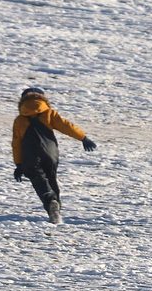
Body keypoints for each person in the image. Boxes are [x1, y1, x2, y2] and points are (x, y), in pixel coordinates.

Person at [11, 87, 97, 224]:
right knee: (51, 179)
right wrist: (83, 138)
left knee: (39, 180)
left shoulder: (20, 120)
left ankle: (51, 203)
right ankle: (56, 210)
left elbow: (16, 143)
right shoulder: (49, 114)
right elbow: (67, 126)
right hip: (51, 153)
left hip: (30, 155)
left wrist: (19, 164)